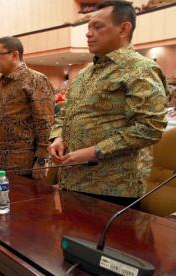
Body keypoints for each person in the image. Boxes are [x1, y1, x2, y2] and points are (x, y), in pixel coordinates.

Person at [48, 0, 168, 206]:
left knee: (108, 239)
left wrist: (94, 151)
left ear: (123, 29)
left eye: (98, 27)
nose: (88, 33)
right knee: (70, 237)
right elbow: (67, 111)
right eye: (88, 27)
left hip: (113, 187)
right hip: (73, 180)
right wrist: (58, 137)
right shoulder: (86, 72)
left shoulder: (141, 69)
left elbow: (149, 128)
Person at [0, 36, 55, 179]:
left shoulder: (35, 79)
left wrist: (42, 160)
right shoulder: (2, 83)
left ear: (14, 55)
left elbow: (45, 122)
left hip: (24, 165)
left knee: (26, 201)